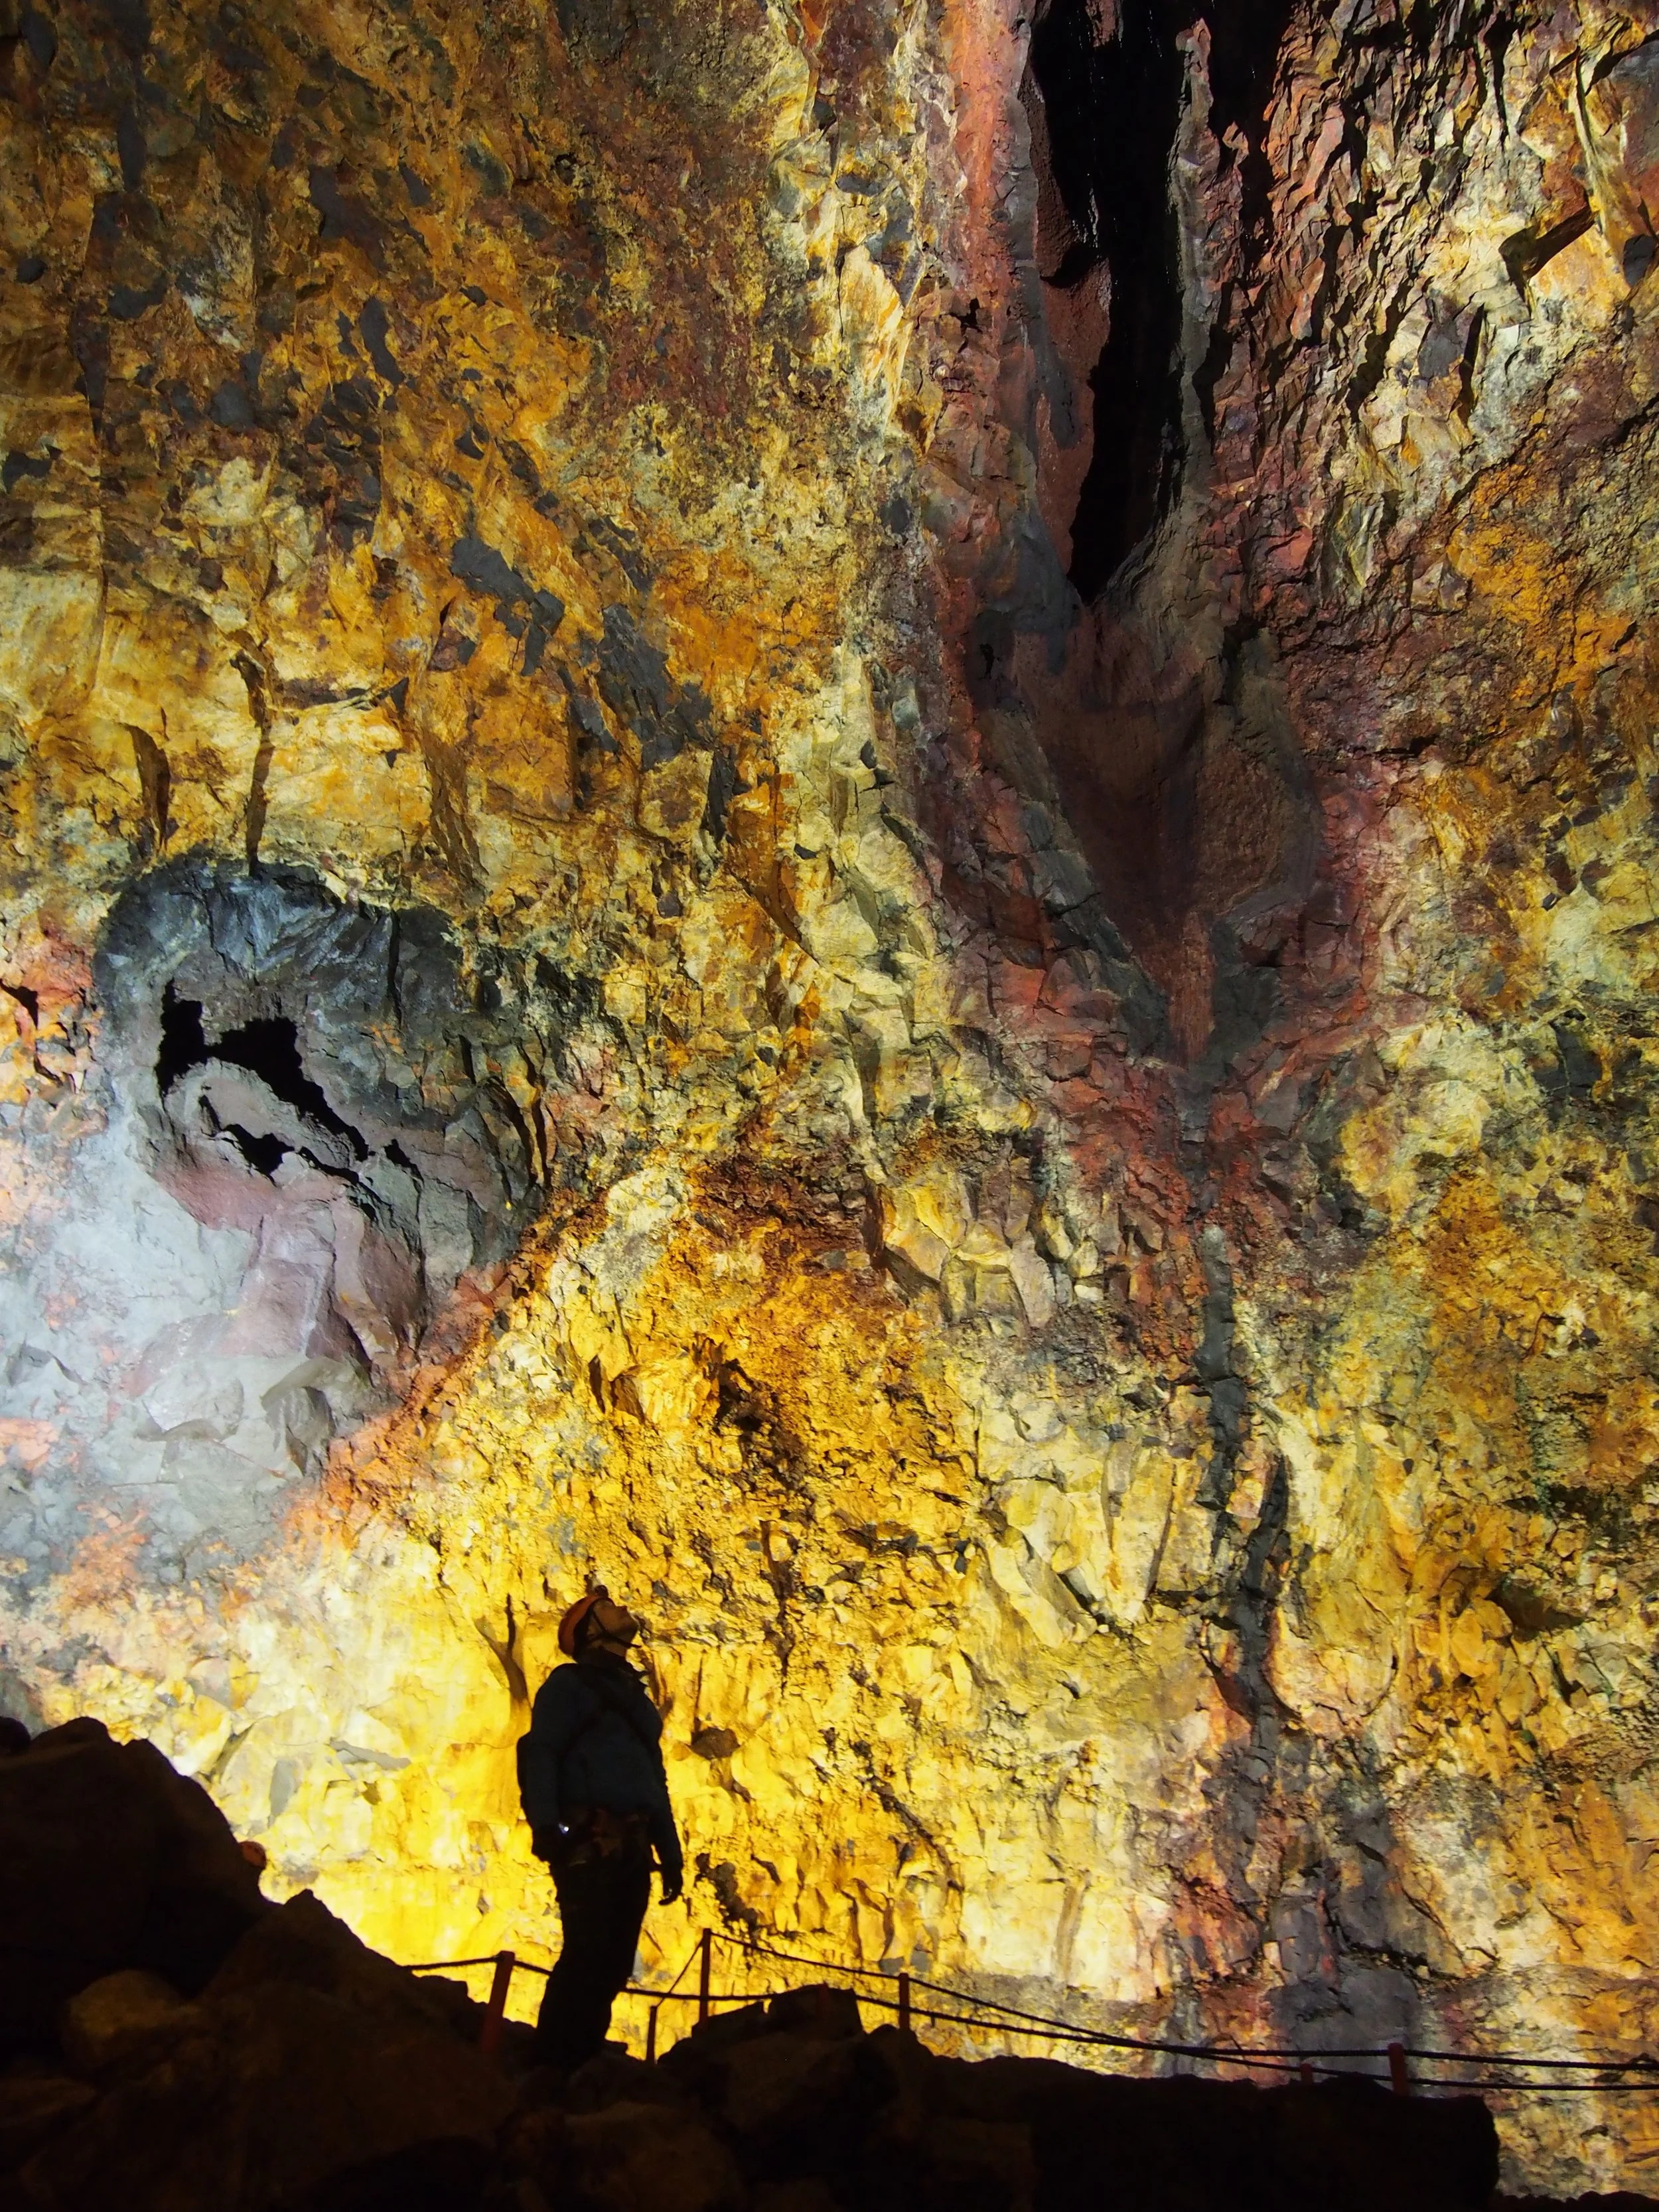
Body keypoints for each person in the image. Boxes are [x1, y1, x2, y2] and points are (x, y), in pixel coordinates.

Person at [517, 1585, 684, 2073]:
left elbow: (654, 1780)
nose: (619, 1606)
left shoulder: (635, 1697)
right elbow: (540, 1752)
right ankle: (552, 2063)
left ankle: (583, 2050)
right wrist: (545, 1824)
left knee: (613, 1961)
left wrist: (669, 1851)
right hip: (588, 1839)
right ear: (592, 1631)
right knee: (586, 1952)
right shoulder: (567, 1687)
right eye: (604, 1607)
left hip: (632, 1844)